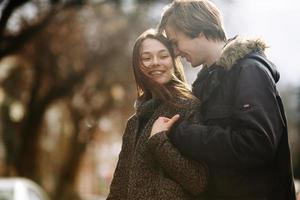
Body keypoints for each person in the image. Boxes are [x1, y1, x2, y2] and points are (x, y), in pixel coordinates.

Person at [151, 0, 296, 200]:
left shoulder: (249, 71)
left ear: (199, 30)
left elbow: (256, 144)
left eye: (175, 42)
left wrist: (181, 133)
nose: (175, 52)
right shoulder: (203, 86)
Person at [106, 29, 208, 200]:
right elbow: (120, 184)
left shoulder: (189, 107)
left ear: (174, 61)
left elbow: (197, 182)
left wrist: (159, 142)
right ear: (137, 66)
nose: (155, 62)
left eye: (163, 56)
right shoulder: (134, 121)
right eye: (146, 58)